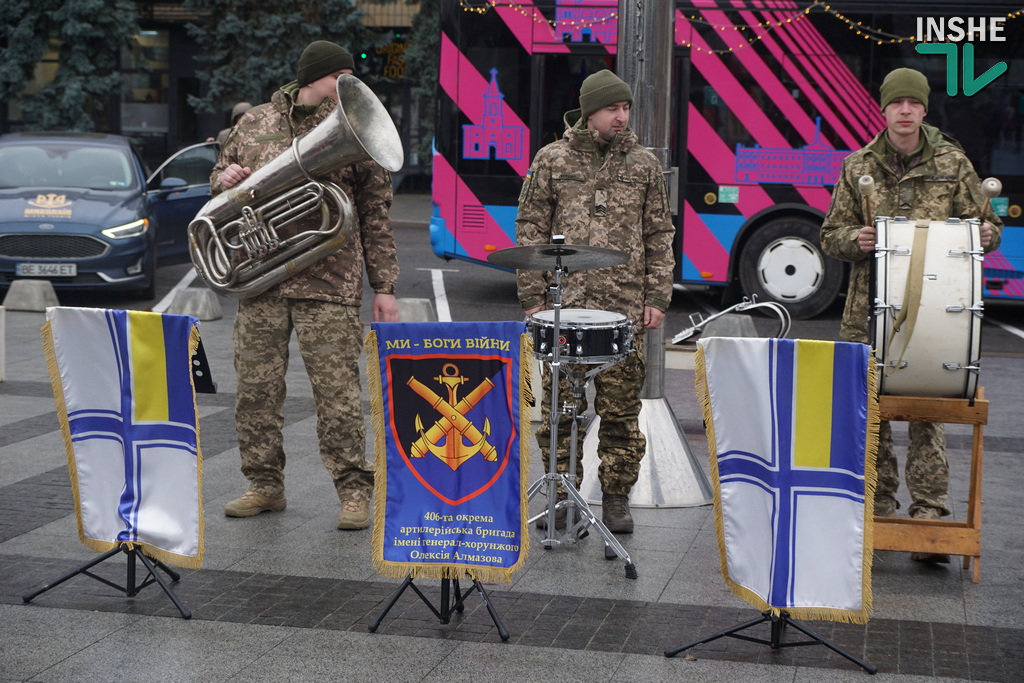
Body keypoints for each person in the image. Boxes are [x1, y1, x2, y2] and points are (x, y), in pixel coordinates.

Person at [212, 40, 399, 530]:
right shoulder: (253, 122)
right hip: (261, 279)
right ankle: (264, 485)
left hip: (329, 281)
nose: (348, 88)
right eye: (340, 79)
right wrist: (224, 176)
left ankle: (354, 491)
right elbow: (221, 177)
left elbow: (377, 214)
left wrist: (385, 286)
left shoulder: (353, 125)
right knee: (255, 393)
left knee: (337, 394)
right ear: (313, 78)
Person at [820, 67, 1002, 562]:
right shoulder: (858, 165)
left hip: (934, 313)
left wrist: (989, 235)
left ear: (924, 110)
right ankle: (878, 505)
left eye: (913, 103)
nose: (905, 111)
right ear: (883, 109)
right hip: (867, 311)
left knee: (927, 411)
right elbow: (829, 232)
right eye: (896, 103)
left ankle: (928, 514)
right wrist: (852, 240)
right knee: (868, 413)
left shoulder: (953, 162)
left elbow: (986, 224)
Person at [515, 69, 675, 534]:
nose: (622, 116)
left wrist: (657, 295)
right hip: (563, 309)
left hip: (621, 312)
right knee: (558, 413)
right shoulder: (551, 159)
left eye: (625, 108)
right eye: (612, 109)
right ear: (590, 112)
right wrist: (532, 297)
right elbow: (530, 228)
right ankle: (562, 494)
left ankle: (617, 499)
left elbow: (659, 234)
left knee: (621, 412)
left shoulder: (644, 166)